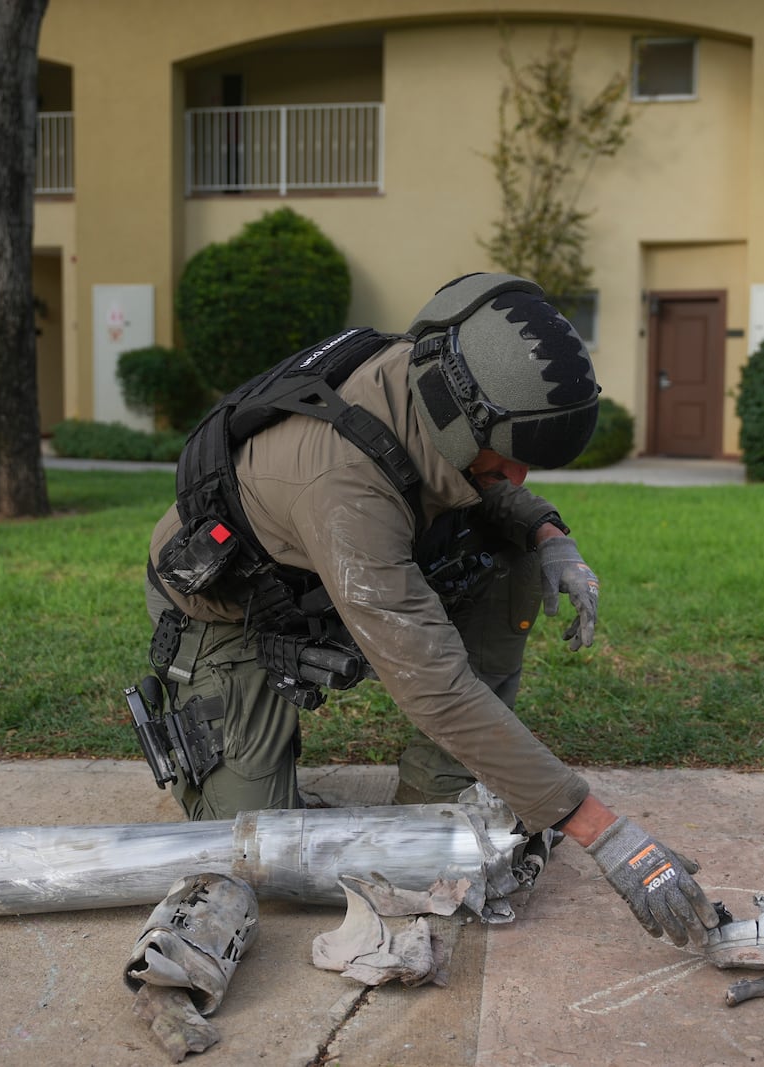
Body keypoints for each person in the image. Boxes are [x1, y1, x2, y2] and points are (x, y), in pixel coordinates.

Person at [136, 272, 721, 948]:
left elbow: (470, 482)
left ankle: (434, 790)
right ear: (463, 419)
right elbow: (434, 686)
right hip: (228, 610)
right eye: (514, 458)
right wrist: (604, 831)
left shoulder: (429, 380)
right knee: (250, 846)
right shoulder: (344, 486)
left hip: (326, 573)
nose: (522, 477)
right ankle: (212, 739)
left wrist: (549, 535)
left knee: (511, 553)